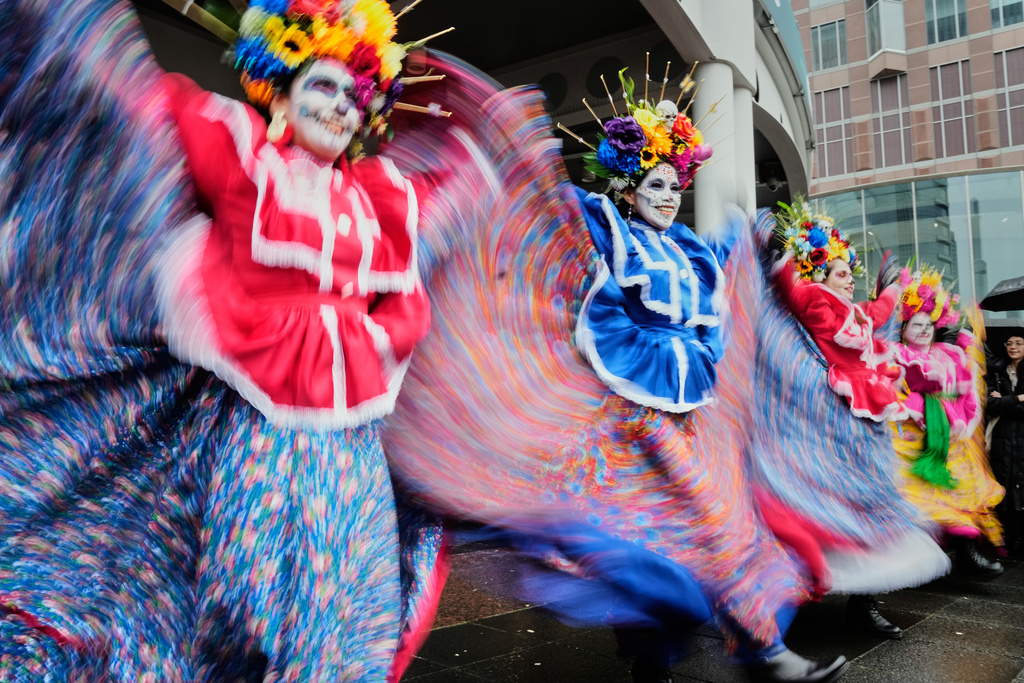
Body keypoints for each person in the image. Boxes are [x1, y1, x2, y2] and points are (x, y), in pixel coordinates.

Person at [0, 0, 447, 679]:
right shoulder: (243, 154)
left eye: (352, 96)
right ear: (282, 97)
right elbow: (133, 114)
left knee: (345, 598)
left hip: (348, 442)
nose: (339, 107)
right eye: (321, 87)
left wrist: (367, 343)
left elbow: (409, 299)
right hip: (249, 420)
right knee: (247, 587)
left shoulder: (381, 202)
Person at [382, 69, 847, 683]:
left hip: (690, 418)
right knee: (650, 542)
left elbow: (715, 327)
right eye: (655, 184)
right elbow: (548, 230)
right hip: (624, 418)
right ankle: (673, 657)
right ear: (629, 186)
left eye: (676, 185)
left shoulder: (692, 247)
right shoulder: (606, 226)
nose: (668, 196)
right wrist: (523, 164)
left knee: (723, 526)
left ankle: (760, 651)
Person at [745, 198, 950, 645]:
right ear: (821, 274)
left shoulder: (854, 309)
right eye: (842, 272)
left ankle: (865, 603)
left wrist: (892, 292)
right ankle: (792, 600)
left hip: (863, 424)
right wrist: (779, 258)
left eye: (850, 272)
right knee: (815, 502)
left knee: (872, 502)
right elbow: (791, 290)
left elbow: (876, 315)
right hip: (823, 422)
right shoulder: (815, 298)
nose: (849, 278)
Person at [891, 267, 1004, 578]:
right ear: (904, 328)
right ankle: (916, 562)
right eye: (917, 325)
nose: (924, 330)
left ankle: (968, 555)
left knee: (961, 495)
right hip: (911, 443)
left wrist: (963, 420)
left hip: (951, 443)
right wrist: (919, 404)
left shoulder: (948, 354)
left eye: (928, 325)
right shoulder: (895, 355)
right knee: (917, 502)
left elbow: (966, 396)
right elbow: (894, 394)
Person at [988, 332, 1024, 556]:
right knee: (1003, 486)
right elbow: (989, 404)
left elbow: (998, 403)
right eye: (1009, 343)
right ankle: (1006, 539)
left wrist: (1004, 401)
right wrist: (1019, 398)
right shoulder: (997, 371)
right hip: (1001, 439)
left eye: (1019, 343)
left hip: (1021, 436)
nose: (1013, 347)